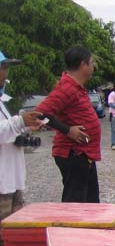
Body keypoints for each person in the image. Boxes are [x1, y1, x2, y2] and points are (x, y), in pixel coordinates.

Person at [35, 47, 102, 203]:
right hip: (73, 153)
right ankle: (70, 228)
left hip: (84, 153)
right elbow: (42, 112)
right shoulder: (67, 87)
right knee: (75, 203)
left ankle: (88, 228)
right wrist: (68, 130)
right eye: (91, 63)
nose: (93, 67)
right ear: (82, 65)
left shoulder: (77, 87)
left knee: (91, 201)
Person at [0, 51, 45, 246]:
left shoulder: (2, 102)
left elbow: (9, 130)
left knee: (12, 237)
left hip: (11, 180)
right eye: (2, 68)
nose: (5, 74)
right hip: (1, 185)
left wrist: (25, 127)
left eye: (6, 68)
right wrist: (19, 121)